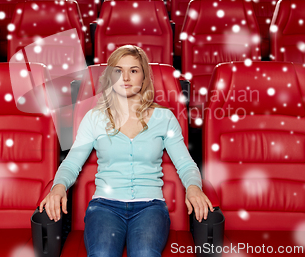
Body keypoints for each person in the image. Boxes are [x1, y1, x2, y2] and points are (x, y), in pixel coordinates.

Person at [39, 45, 213, 257]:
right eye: (118, 71)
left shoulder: (164, 118)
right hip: (104, 206)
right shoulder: (94, 118)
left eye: (134, 70)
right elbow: (72, 162)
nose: (126, 77)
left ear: (144, 77)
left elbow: (186, 164)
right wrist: (58, 187)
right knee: (102, 253)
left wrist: (194, 187)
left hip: (150, 207)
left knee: (145, 253)